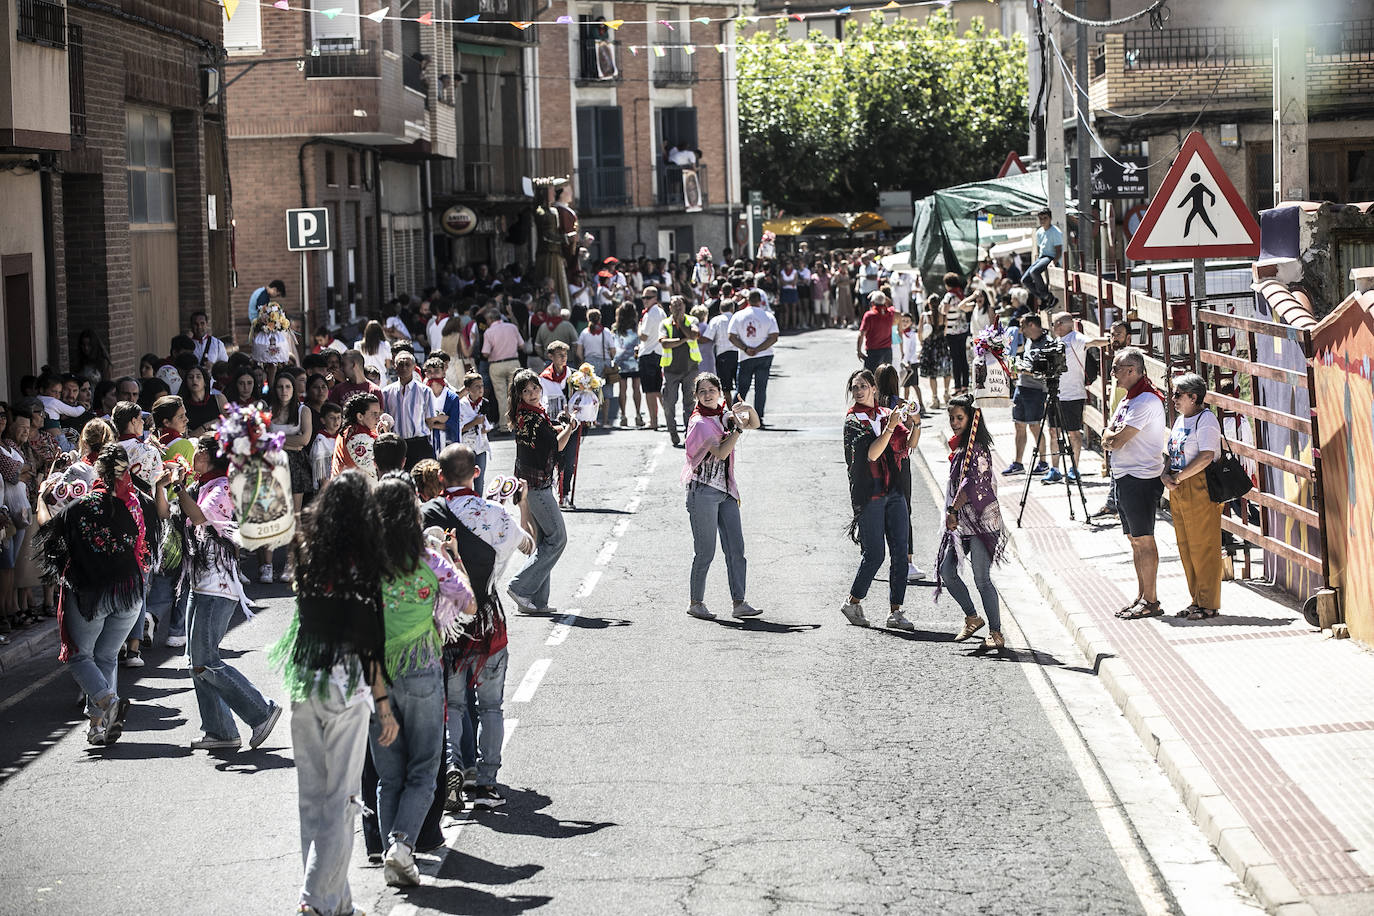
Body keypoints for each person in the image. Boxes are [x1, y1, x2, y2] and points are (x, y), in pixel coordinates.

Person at [268, 470, 395, 916]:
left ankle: (337, 903)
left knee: (313, 799)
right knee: (341, 799)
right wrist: (383, 703)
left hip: (304, 680)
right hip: (345, 684)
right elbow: (370, 641)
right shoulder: (363, 563)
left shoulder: (305, 550)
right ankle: (315, 902)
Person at [369, 474, 474, 887]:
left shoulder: (363, 562)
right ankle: (401, 846)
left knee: (388, 776)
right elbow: (466, 603)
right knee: (424, 769)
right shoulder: (429, 558)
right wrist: (454, 556)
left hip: (377, 674)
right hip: (422, 668)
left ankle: (393, 855)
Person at [31, 444, 171, 744]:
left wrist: (42, 498)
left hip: (91, 594)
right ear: (128, 470)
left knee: (81, 657)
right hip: (130, 594)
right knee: (106, 656)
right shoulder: (139, 502)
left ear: (99, 471)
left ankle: (108, 701)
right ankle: (97, 727)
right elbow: (161, 517)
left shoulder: (83, 506)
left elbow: (47, 527)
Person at [424, 444, 534, 812]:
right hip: (487, 616)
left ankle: (455, 767)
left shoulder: (427, 515)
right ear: (475, 472)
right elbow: (528, 545)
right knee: (490, 707)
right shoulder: (495, 514)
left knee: (453, 703)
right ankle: (486, 782)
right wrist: (520, 505)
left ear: (439, 477)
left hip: (446, 622)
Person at [175, 435, 282, 750]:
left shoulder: (222, 488)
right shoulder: (207, 486)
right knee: (198, 660)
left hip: (217, 585)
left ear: (207, 456)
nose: (191, 457)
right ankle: (220, 731)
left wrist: (179, 488)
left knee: (206, 660)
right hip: (202, 582)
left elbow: (199, 518)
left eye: (196, 453)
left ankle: (261, 711)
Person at [838, 369, 916, 631]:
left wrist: (915, 422)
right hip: (869, 493)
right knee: (875, 554)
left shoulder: (884, 414)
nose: (858, 391)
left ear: (874, 388)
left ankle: (896, 611)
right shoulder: (853, 421)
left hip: (894, 490)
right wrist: (891, 427)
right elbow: (872, 454)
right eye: (854, 387)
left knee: (900, 551)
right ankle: (852, 601)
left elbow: (908, 444)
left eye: (862, 386)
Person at [681, 373, 762, 621]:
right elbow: (722, 452)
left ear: (720, 393)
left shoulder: (722, 414)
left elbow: (755, 424)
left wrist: (747, 408)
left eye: (712, 390)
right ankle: (696, 602)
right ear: (696, 396)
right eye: (702, 391)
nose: (708, 395)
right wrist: (737, 429)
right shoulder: (700, 423)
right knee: (706, 551)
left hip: (726, 490)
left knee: (736, 548)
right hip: (703, 491)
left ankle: (739, 602)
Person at [937, 395, 1008, 649]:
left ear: (971, 419)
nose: (955, 423)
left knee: (981, 579)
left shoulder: (976, 448)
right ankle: (972, 616)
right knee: (947, 571)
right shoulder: (960, 448)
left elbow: (970, 486)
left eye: (959, 418)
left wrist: (952, 510)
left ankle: (996, 632)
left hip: (981, 523)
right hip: (962, 524)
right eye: (952, 418)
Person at [506, 369, 578, 614]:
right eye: (526, 391)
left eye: (534, 388)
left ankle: (537, 602)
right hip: (537, 487)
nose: (532, 393)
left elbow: (546, 437)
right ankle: (520, 586)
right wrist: (571, 427)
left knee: (543, 541)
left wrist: (559, 425)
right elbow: (557, 445)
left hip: (528, 485)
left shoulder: (525, 416)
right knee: (558, 538)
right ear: (519, 395)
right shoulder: (535, 419)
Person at [1105, 348, 1169, 620]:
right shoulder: (1127, 400)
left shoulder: (1145, 401)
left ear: (1132, 370)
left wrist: (1110, 437)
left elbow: (1115, 440)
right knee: (1134, 540)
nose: (1113, 374)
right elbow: (1108, 433)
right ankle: (1142, 595)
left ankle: (1152, 600)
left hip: (1140, 478)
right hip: (1123, 476)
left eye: (1116, 369)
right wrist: (1110, 436)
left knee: (1144, 540)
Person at [1162, 373, 1224, 620]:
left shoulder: (1206, 419)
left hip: (1198, 484)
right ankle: (1196, 599)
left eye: (1178, 394)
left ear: (1193, 397)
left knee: (1204, 545)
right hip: (1178, 485)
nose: (1173, 399)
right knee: (1186, 545)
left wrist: (1179, 477)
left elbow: (1207, 456)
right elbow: (1170, 451)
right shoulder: (1180, 419)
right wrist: (1166, 474)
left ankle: (1208, 603)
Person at [874, 365, 925, 582]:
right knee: (904, 510)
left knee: (876, 509)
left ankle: (871, 555)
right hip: (900, 463)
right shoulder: (902, 404)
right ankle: (907, 561)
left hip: (876, 462)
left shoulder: (872, 404)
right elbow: (913, 426)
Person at [1042, 312, 1106, 484]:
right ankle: (1054, 470)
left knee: (1073, 434)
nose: (1052, 327)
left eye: (1054, 323)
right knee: (1053, 432)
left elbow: (1093, 342)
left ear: (1062, 324)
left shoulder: (1076, 338)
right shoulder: (1055, 342)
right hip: (1055, 394)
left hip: (1073, 395)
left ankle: (1074, 469)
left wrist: (1111, 340)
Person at [1001, 314, 1052, 476]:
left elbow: (1046, 372)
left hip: (1036, 391)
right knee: (1019, 425)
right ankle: (1018, 463)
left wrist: (1024, 370)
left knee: (1035, 426)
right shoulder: (1029, 341)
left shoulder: (1048, 343)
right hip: (1021, 387)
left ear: (1031, 325)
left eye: (1022, 326)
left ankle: (1043, 462)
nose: (1020, 330)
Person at [381, 351, 445, 469]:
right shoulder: (386, 392)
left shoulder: (425, 391)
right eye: (400, 364)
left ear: (414, 367)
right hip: (397, 445)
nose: (404, 367)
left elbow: (429, 421)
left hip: (419, 444)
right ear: (395, 366)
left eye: (407, 364)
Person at [728, 290, 779, 427]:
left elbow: (731, 336)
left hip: (745, 356)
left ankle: (734, 416)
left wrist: (746, 348)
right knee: (760, 388)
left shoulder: (739, 315)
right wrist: (759, 349)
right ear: (760, 301)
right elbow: (774, 337)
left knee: (742, 388)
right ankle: (759, 417)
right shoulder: (768, 316)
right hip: (764, 355)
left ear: (748, 300)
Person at [659, 295, 702, 449]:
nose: (677, 308)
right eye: (674, 305)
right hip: (671, 370)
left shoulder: (692, 321)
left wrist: (680, 324)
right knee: (669, 404)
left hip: (690, 369)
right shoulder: (664, 323)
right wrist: (683, 340)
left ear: (685, 307)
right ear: (669, 308)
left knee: (689, 404)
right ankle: (673, 432)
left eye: (680, 305)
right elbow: (664, 343)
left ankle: (688, 435)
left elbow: (694, 335)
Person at [481, 311, 524, 434]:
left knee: (501, 397)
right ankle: (519, 422)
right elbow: (521, 345)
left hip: (496, 364)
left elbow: (485, 353)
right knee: (516, 394)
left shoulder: (488, 332)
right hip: (513, 363)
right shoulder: (512, 327)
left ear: (489, 320)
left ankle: (505, 425)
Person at [637, 287, 667, 431]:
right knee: (657, 389)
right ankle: (668, 417)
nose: (644, 301)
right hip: (658, 352)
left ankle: (653, 421)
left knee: (650, 390)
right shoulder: (661, 311)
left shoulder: (650, 314)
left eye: (647, 298)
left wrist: (638, 326)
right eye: (643, 298)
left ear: (655, 298)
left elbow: (643, 336)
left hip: (648, 353)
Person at [918, 294, 952, 409]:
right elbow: (945, 332)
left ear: (928, 304)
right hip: (942, 346)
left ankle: (935, 399)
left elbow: (920, 332)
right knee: (946, 371)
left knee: (932, 375)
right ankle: (946, 394)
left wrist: (922, 344)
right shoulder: (944, 316)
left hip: (930, 347)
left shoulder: (925, 316)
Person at [941, 272, 972, 395]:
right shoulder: (961, 294)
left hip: (951, 330)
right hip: (963, 329)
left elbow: (944, 311)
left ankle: (957, 386)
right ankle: (965, 384)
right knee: (963, 357)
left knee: (955, 359)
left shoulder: (949, 296)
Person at [612, 302, 643, 428]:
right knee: (636, 388)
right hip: (635, 360)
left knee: (622, 390)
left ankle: (623, 416)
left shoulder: (616, 328)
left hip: (621, 361)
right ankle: (638, 415)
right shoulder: (637, 327)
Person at [1024, 208, 1062, 310]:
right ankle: (1046, 297)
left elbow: (1059, 251)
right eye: (1040, 218)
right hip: (1042, 257)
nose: (1042, 221)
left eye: (1045, 218)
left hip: (1051, 257)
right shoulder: (1039, 232)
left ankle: (1047, 297)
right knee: (1025, 279)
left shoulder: (1055, 232)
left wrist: (1053, 262)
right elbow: (1039, 248)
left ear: (1050, 218)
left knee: (1034, 271)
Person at [857, 291, 895, 371]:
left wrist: (859, 350)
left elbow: (861, 334)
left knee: (870, 378)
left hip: (873, 352)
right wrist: (880, 295)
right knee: (885, 378)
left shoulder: (869, 315)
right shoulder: (890, 313)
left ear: (872, 303)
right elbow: (891, 303)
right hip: (887, 351)